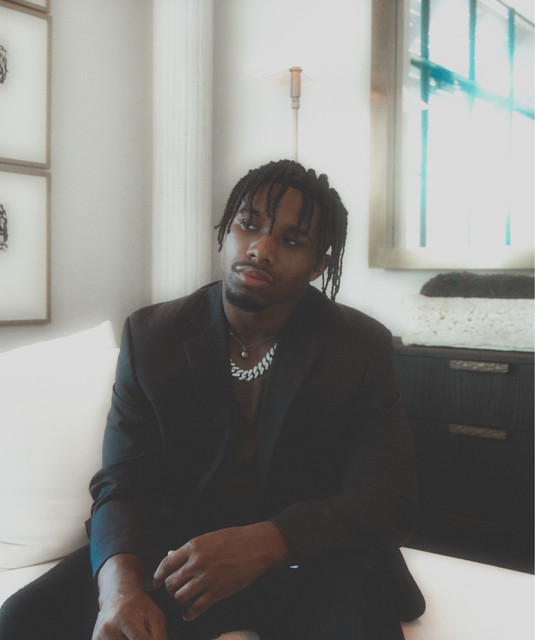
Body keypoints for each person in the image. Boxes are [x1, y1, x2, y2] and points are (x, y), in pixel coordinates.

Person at [0, 159, 425, 639]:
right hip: (181, 554)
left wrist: (265, 543)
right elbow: (123, 483)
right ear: (225, 231)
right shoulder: (152, 336)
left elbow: (388, 500)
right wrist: (120, 589)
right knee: (21, 620)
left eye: (291, 240)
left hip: (307, 557)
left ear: (318, 266)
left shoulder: (358, 346)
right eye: (249, 225)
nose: (260, 249)